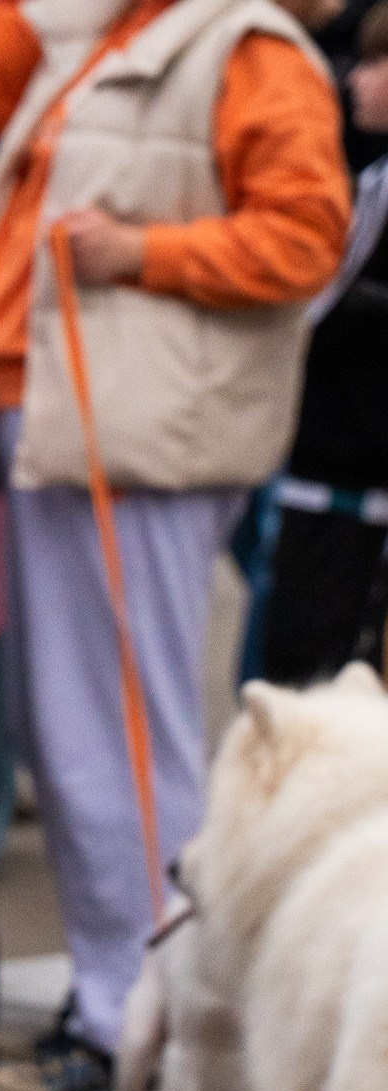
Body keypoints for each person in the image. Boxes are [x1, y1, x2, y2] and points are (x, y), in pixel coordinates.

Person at [0, 0, 349, 1091]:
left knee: (128, 740)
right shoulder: (112, 34)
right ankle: (125, 1009)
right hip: (65, 414)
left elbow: (307, 234)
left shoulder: (243, 48)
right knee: (82, 732)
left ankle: (142, 1026)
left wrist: (140, 251)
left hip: (134, 431)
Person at [257, 1, 388, 678]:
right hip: (317, 470)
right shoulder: (364, 180)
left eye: (376, 64)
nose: (355, 81)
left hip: (348, 474)